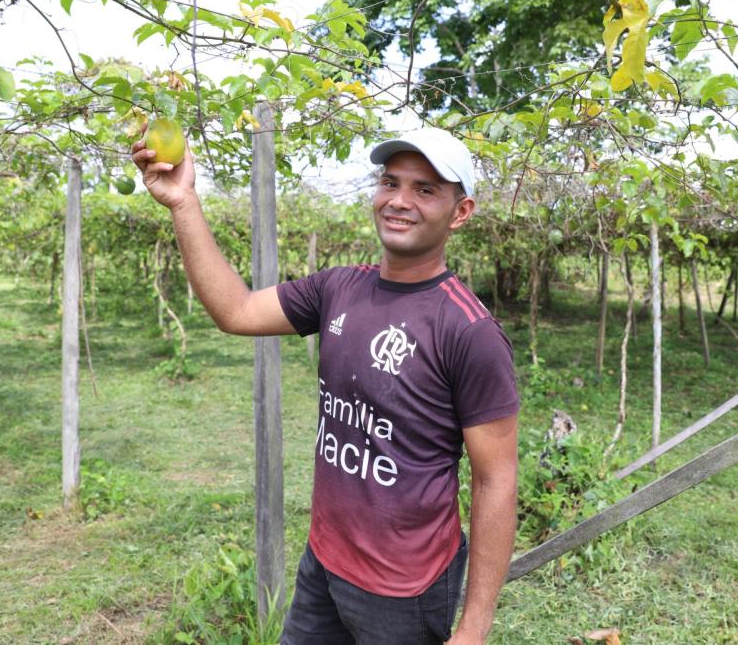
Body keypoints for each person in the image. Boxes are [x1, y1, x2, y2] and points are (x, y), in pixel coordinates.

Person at [132, 126, 519, 644]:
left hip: (407, 588)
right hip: (324, 562)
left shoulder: (468, 331)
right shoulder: (338, 287)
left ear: (461, 211)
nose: (399, 201)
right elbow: (236, 310)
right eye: (390, 183)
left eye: (425, 190)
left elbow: (496, 481)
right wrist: (183, 203)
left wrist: (473, 628)